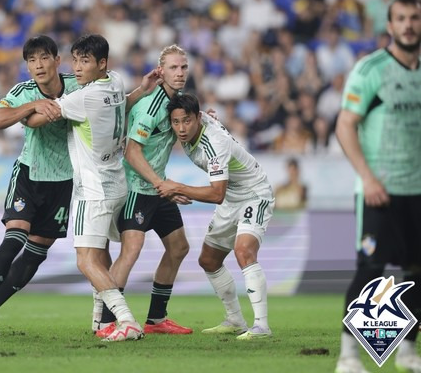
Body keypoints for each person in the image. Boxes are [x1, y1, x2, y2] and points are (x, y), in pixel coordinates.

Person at [28, 34, 149, 341]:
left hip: (92, 190)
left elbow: (34, 121)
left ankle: (126, 320)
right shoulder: (117, 82)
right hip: (115, 184)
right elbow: (123, 105)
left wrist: (29, 106)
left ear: (102, 64)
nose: (77, 68)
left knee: (85, 260)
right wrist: (142, 89)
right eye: (75, 60)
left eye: (85, 61)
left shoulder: (82, 98)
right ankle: (100, 322)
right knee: (101, 254)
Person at [334, 0, 421, 373]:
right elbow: (344, 125)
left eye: (414, 18)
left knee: (417, 273)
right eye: (401, 18)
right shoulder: (370, 70)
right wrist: (367, 178)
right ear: (389, 26)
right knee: (371, 269)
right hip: (379, 190)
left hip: (418, 190)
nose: (408, 25)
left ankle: (408, 352)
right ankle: (348, 355)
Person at [0, 35, 80, 336]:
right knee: (14, 238)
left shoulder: (77, 86)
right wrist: (33, 105)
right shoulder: (23, 91)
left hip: (63, 180)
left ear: (58, 61)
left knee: (36, 251)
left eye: (44, 57)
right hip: (29, 175)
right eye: (31, 60)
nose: (38, 65)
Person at [156, 93, 274, 339]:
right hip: (232, 197)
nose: (181, 128)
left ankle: (261, 326)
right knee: (209, 260)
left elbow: (216, 193)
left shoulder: (214, 143)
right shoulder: (195, 128)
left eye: (186, 121)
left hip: (254, 194)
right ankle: (235, 320)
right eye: (176, 122)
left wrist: (177, 187)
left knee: (244, 251)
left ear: (197, 118)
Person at [96, 44, 193, 337]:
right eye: (174, 68)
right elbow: (132, 152)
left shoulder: (174, 103)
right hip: (137, 188)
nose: (180, 73)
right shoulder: (151, 105)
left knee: (179, 247)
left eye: (184, 67)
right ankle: (106, 321)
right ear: (161, 71)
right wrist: (161, 184)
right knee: (131, 251)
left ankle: (156, 319)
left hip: (156, 187)